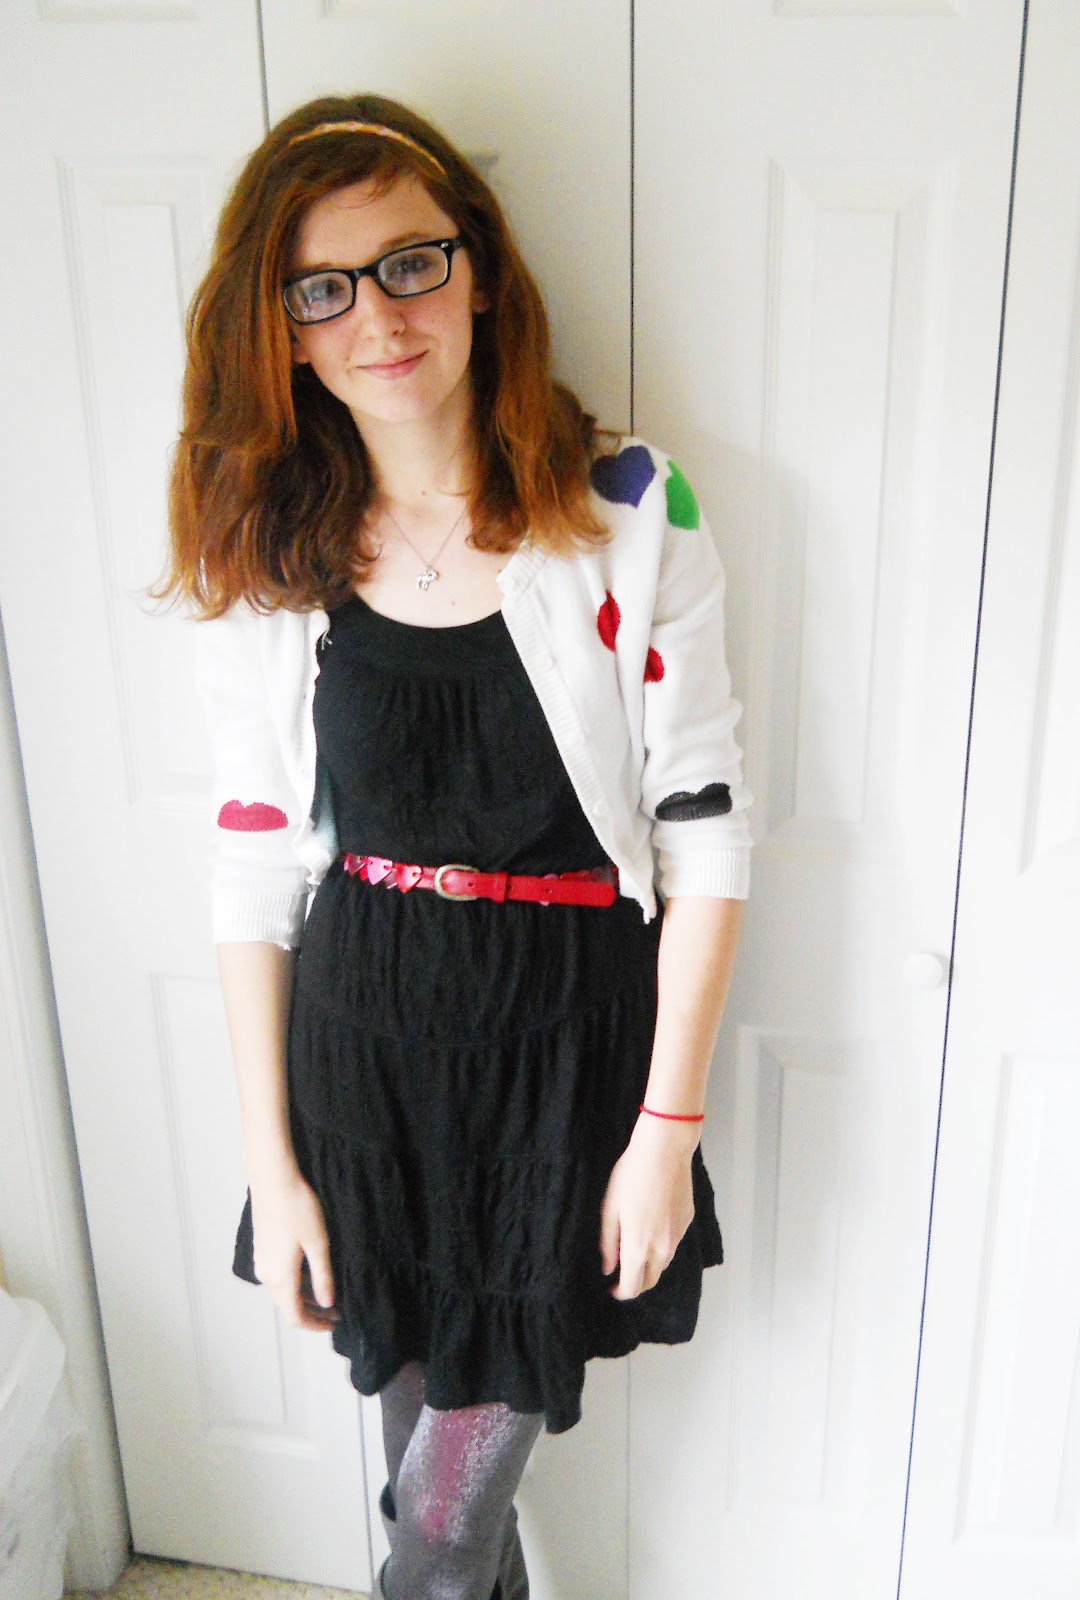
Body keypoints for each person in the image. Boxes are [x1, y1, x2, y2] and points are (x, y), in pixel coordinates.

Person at [155, 91, 750, 1600]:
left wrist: (666, 1133)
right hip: (362, 1066)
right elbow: (252, 867)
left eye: (411, 263)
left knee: (437, 1525)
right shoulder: (272, 548)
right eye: (322, 289)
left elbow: (703, 833)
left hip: (562, 1068)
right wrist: (273, 1161)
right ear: (285, 333)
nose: (377, 315)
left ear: (478, 272)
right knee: (421, 1485)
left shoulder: (627, 507)